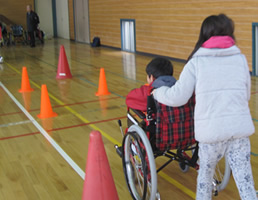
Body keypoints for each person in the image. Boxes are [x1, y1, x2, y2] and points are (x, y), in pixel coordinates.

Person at [153, 14, 257, 200]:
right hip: (239, 131)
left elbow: (178, 97)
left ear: (205, 34)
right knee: (246, 183)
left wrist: (158, 92)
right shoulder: (240, 59)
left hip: (212, 134)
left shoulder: (196, 62)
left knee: (205, 180)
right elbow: (246, 95)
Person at [126, 57, 196, 151]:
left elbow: (129, 100)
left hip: (162, 138)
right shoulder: (183, 91)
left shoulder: (148, 92)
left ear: (151, 77)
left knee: (142, 123)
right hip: (189, 134)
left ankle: (134, 148)